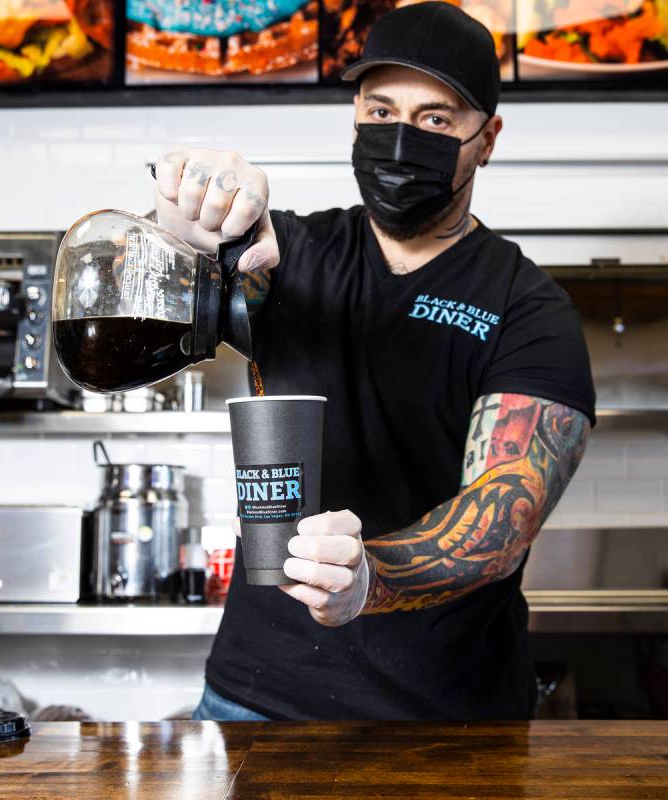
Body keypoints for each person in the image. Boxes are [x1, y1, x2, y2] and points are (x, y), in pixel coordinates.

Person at [152, 1, 596, 721]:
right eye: (380, 109)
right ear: (355, 114)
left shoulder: (528, 306)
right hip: (257, 701)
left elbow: (501, 518)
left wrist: (369, 579)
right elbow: (115, 339)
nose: (399, 139)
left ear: (487, 140)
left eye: (435, 120)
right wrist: (177, 232)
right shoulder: (281, 256)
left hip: (451, 720)